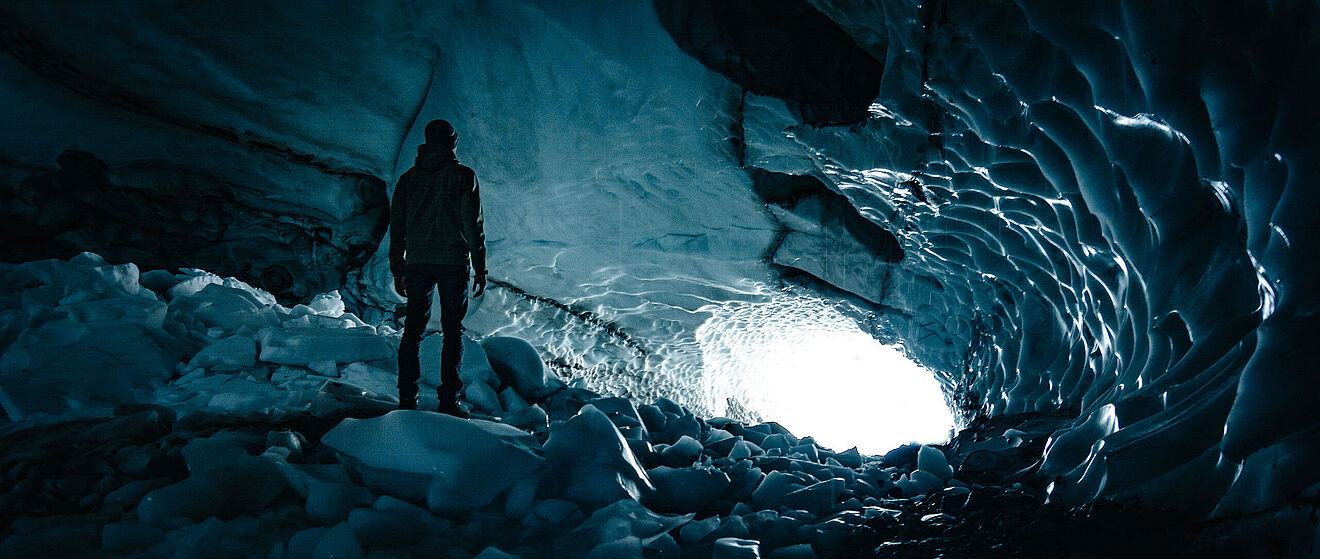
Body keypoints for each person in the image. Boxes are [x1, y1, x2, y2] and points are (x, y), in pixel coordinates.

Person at [389, 119, 487, 417]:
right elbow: (473, 225)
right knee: (452, 332)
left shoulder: (408, 180)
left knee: (413, 331)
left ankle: (407, 398)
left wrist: (398, 268)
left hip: (417, 263)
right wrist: (480, 266)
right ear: (452, 142)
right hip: (453, 264)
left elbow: (398, 227)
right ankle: (449, 401)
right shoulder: (463, 176)